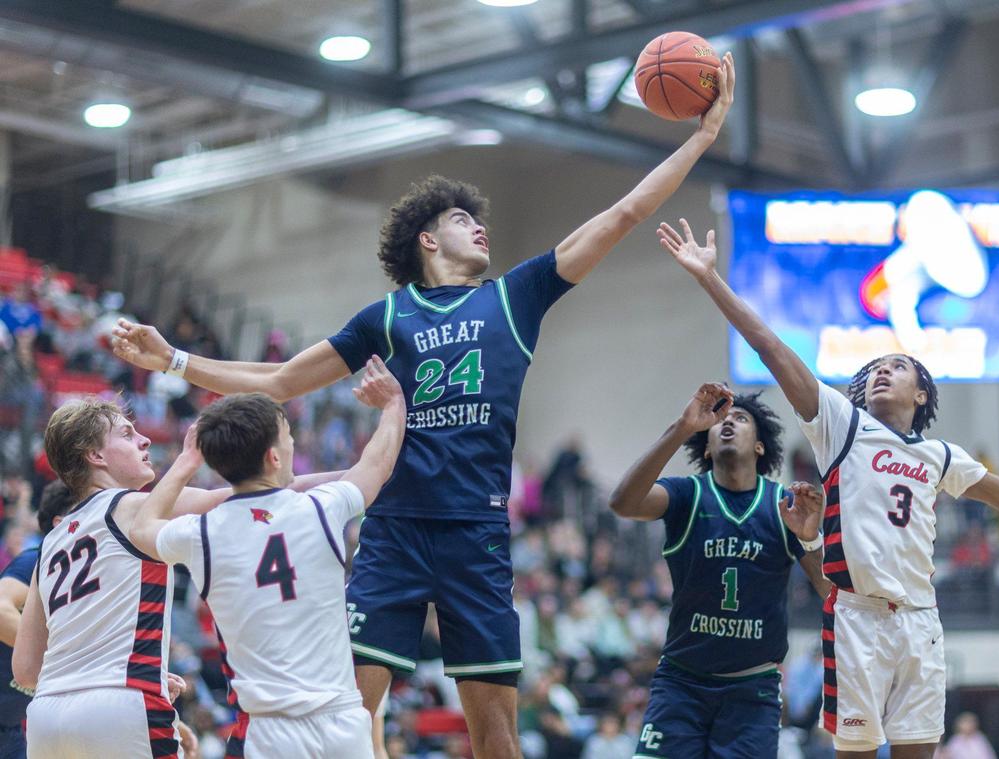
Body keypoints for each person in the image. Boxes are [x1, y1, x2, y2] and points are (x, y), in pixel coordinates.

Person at [109, 52, 737, 759]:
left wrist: (701, 138)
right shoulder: (386, 314)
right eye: (466, 219)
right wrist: (173, 361)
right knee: (351, 713)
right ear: (428, 239)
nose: (483, 230)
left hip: (478, 531)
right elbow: (282, 381)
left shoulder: (516, 295)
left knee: (495, 731)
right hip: (396, 527)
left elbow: (623, 213)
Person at [656, 217, 999, 759]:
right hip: (857, 619)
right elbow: (770, 345)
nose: (884, 371)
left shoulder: (940, 456)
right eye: (878, 367)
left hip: (919, 620)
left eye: (899, 366)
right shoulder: (842, 424)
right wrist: (709, 279)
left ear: (922, 392)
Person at [11, 399, 341, 759]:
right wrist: (355, 480)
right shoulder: (132, 507)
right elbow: (261, 495)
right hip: (122, 704)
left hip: (46, 720)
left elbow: (26, 669)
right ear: (95, 456)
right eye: (126, 433)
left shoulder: (50, 543)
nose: (144, 440)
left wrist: (86, 677)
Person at [127, 356, 405, 758]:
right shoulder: (320, 508)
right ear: (274, 457)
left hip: (268, 732)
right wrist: (393, 404)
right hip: (342, 724)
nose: (292, 444)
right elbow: (377, 463)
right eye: (288, 436)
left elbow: (141, 528)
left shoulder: (202, 533)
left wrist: (186, 463)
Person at [609, 383, 830, 757]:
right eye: (719, 421)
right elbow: (623, 503)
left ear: (760, 446)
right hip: (682, 682)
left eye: (740, 419)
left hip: (752, 690)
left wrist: (811, 540)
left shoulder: (784, 505)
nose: (728, 423)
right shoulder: (686, 495)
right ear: (706, 446)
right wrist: (682, 427)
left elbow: (829, 590)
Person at [0, 482, 73, 759]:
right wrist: (61, 657)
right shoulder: (39, 561)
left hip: (10, 728)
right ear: (61, 523)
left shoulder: (79, 579)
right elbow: (0, 610)